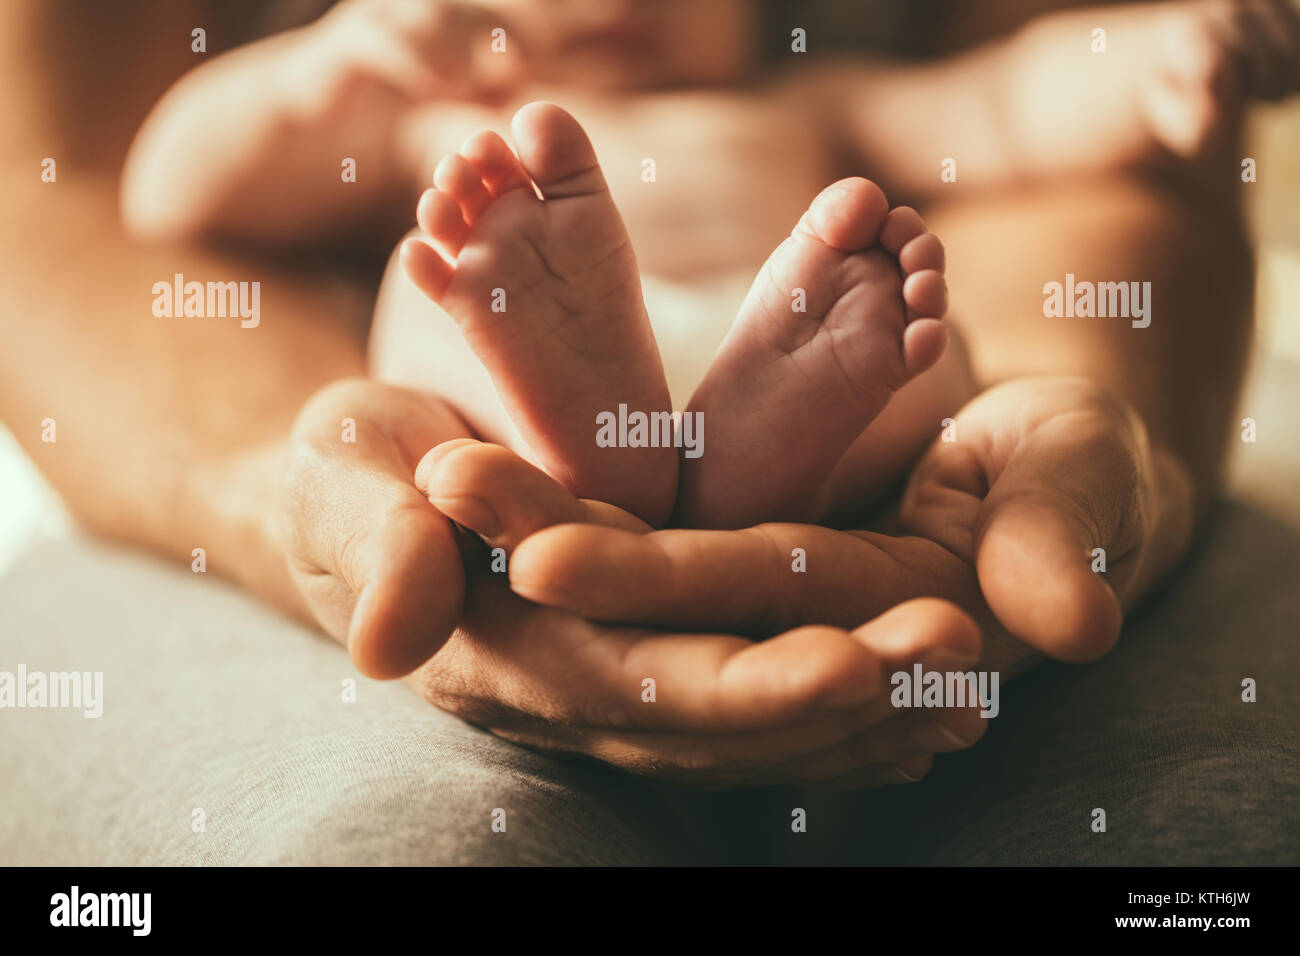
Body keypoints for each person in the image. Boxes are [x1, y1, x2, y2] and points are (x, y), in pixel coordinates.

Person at [0, 0, 1286, 862]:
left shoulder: (812, 106)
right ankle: (591, 416)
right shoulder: (427, 125)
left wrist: (1154, 62)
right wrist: (323, 69)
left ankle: (752, 435)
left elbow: (1008, 106)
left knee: (921, 351)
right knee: (445, 313)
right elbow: (170, 190)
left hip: (764, 368)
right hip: (533, 406)